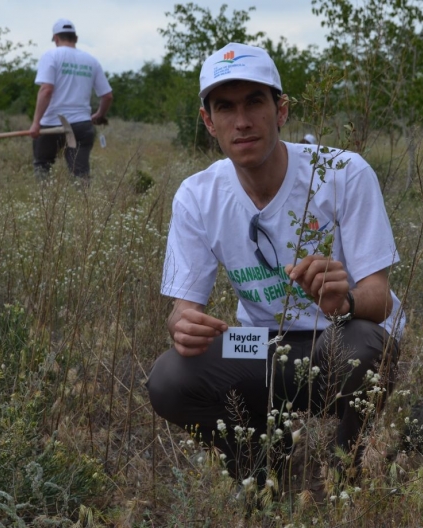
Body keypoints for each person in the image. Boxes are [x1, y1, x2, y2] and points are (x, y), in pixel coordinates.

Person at [146, 43, 404, 482]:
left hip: (336, 336)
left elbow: (379, 300)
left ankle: (344, 467)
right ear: (208, 121)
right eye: (225, 107)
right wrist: (182, 325)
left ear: (281, 110)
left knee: (361, 347)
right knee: (169, 377)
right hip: (261, 344)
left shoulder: (343, 172)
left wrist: (345, 302)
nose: (242, 121)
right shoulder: (197, 194)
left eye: (255, 103)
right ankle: (264, 464)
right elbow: (183, 310)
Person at [29, 19, 113, 179]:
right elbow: (107, 95)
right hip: (81, 124)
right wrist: (99, 115)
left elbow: (46, 90)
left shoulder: (51, 55)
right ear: (76, 38)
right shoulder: (91, 60)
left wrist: (35, 123)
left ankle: (44, 202)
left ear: (56, 38)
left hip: (51, 125)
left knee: (43, 166)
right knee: (80, 173)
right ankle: (85, 203)